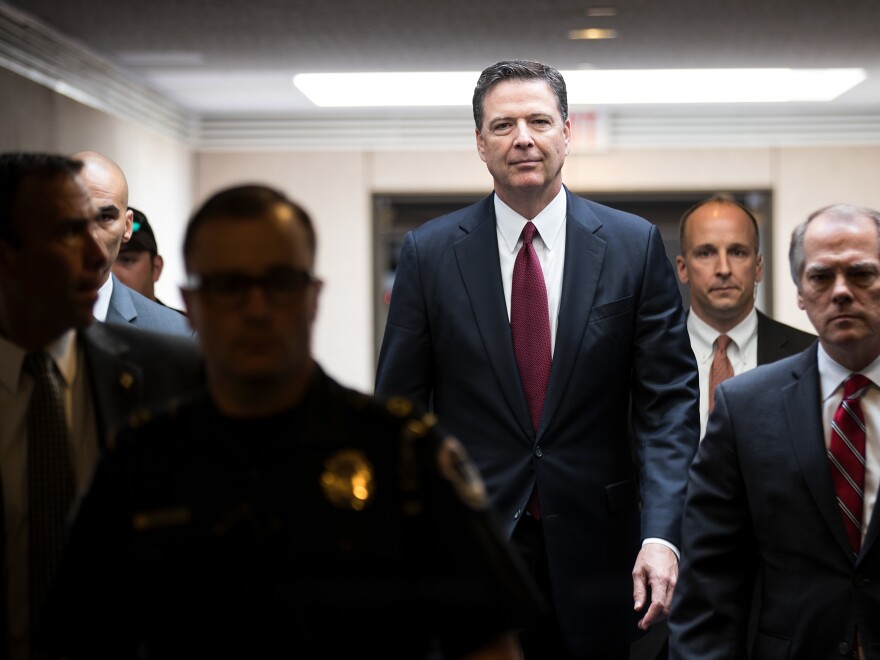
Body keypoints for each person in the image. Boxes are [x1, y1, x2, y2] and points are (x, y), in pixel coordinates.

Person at [36, 184, 545, 660]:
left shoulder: (405, 454)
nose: (256, 309)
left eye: (280, 283)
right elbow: (77, 637)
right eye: (230, 286)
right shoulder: (140, 464)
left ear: (313, 295)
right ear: (192, 305)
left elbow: (487, 643)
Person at [374, 60, 700, 659]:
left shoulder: (633, 245)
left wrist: (662, 535)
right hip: (471, 547)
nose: (522, 137)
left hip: (607, 556)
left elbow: (667, 407)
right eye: (502, 125)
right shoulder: (430, 253)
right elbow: (399, 412)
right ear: (479, 143)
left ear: (567, 133)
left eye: (538, 121)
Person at [0, 152, 203, 660]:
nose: (95, 256)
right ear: (7, 252)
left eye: (102, 223)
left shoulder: (170, 367)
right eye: (67, 232)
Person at [668, 203, 880, 659]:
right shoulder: (747, 405)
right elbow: (712, 582)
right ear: (800, 292)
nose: (841, 292)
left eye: (862, 274)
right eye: (822, 277)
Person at [676, 195, 816, 439]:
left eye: (737, 252)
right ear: (683, 268)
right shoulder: (648, 356)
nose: (723, 269)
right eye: (706, 253)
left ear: (759, 267)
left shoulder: (809, 356)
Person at [71, 151, 191, 335]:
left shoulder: (176, 334)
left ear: (127, 226)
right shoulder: (15, 319)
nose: (90, 237)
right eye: (73, 217)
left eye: (104, 217)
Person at [111, 207, 186, 315]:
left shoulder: (185, 329)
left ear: (156, 268)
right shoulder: (84, 327)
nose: (111, 275)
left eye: (126, 260)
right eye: (102, 262)